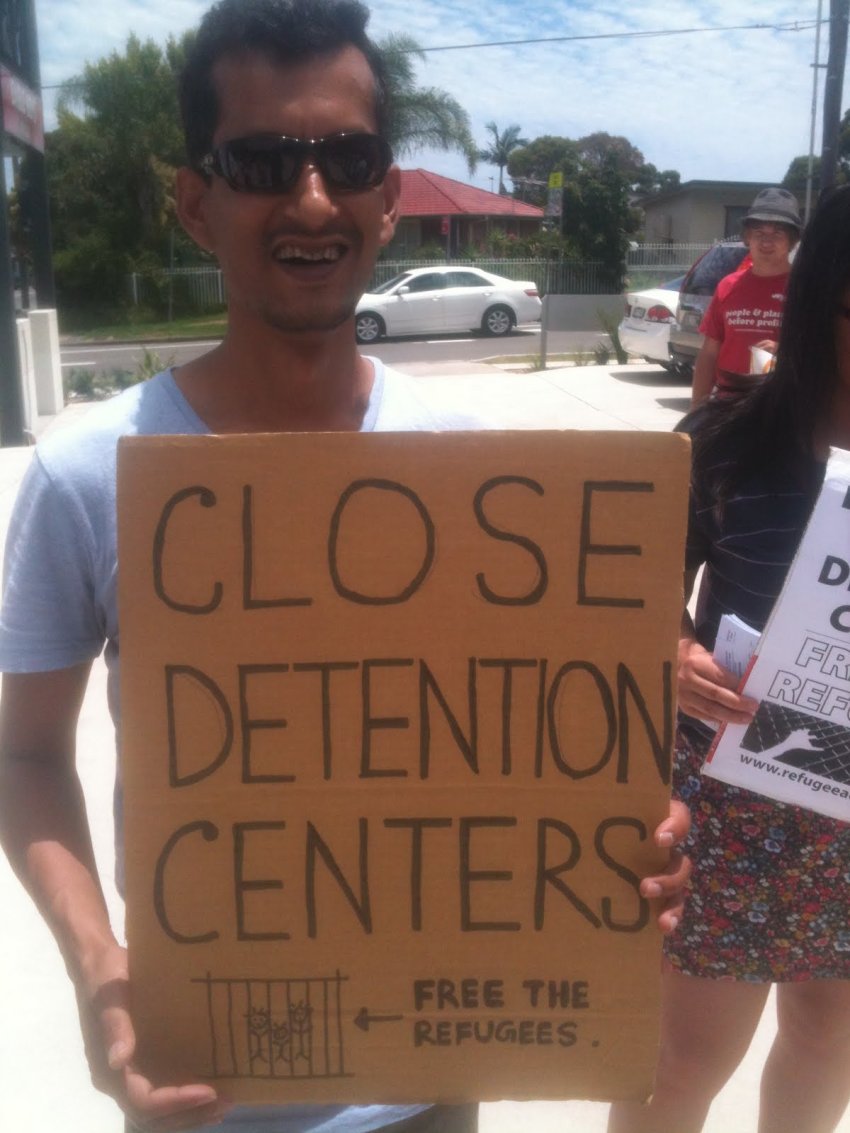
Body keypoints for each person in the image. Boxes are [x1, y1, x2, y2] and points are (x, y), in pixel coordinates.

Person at [0, 2, 690, 1131]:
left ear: (387, 197)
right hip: (202, 1091)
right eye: (264, 161)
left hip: (435, 1086)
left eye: (348, 159)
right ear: (196, 200)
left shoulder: (478, 478)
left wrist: (624, 845)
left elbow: (529, 762)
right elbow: (26, 755)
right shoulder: (91, 473)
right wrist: (99, 964)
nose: (310, 199)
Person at [609, 184, 850, 1133]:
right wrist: (668, 646)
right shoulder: (726, 441)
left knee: (827, 1044)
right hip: (733, 799)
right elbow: (627, 587)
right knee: (684, 1060)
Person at [690, 187, 802, 408]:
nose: (766, 242)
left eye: (777, 233)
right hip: (728, 407)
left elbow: (822, 350)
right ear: (747, 237)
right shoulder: (728, 286)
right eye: (758, 232)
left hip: (783, 409)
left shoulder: (804, 289)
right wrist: (696, 407)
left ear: (792, 240)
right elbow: (710, 353)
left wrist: (784, 349)